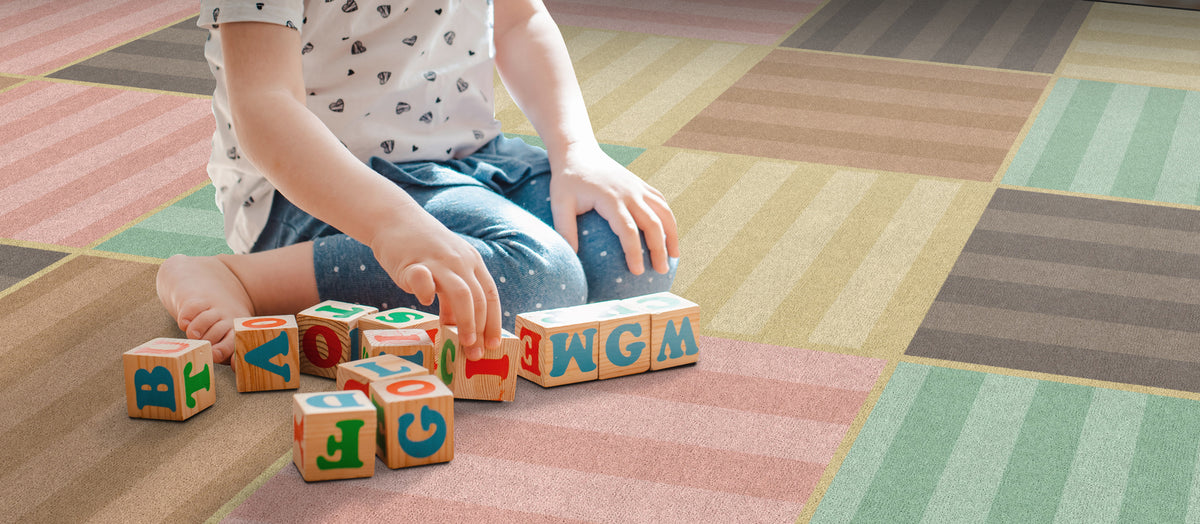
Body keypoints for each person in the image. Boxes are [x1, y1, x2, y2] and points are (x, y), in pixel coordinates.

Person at [156, 0, 680, 365]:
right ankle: (243, 278)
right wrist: (391, 224)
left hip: (470, 160)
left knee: (629, 256)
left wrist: (576, 152)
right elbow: (265, 105)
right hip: (326, 190)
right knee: (543, 281)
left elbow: (520, 21)